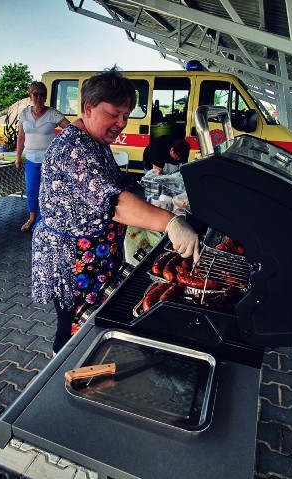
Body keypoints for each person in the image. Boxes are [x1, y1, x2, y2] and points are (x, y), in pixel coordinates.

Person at [31, 67, 200, 356]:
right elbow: (114, 203)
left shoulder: (96, 142)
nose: (122, 123)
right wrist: (169, 222)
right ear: (88, 108)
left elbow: (120, 185)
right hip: (72, 259)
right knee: (72, 328)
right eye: (114, 113)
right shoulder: (73, 148)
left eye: (126, 114)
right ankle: (60, 377)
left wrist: (162, 196)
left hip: (96, 253)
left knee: (95, 322)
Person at [15, 81, 70, 232]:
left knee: (48, 191)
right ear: (30, 96)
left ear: (46, 97)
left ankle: (48, 220)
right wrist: (18, 156)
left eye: (42, 94)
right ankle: (32, 218)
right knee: (32, 191)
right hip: (31, 160)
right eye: (35, 94)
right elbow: (21, 136)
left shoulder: (53, 113)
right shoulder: (25, 114)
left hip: (49, 161)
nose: (39, 97)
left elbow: (70, 130)